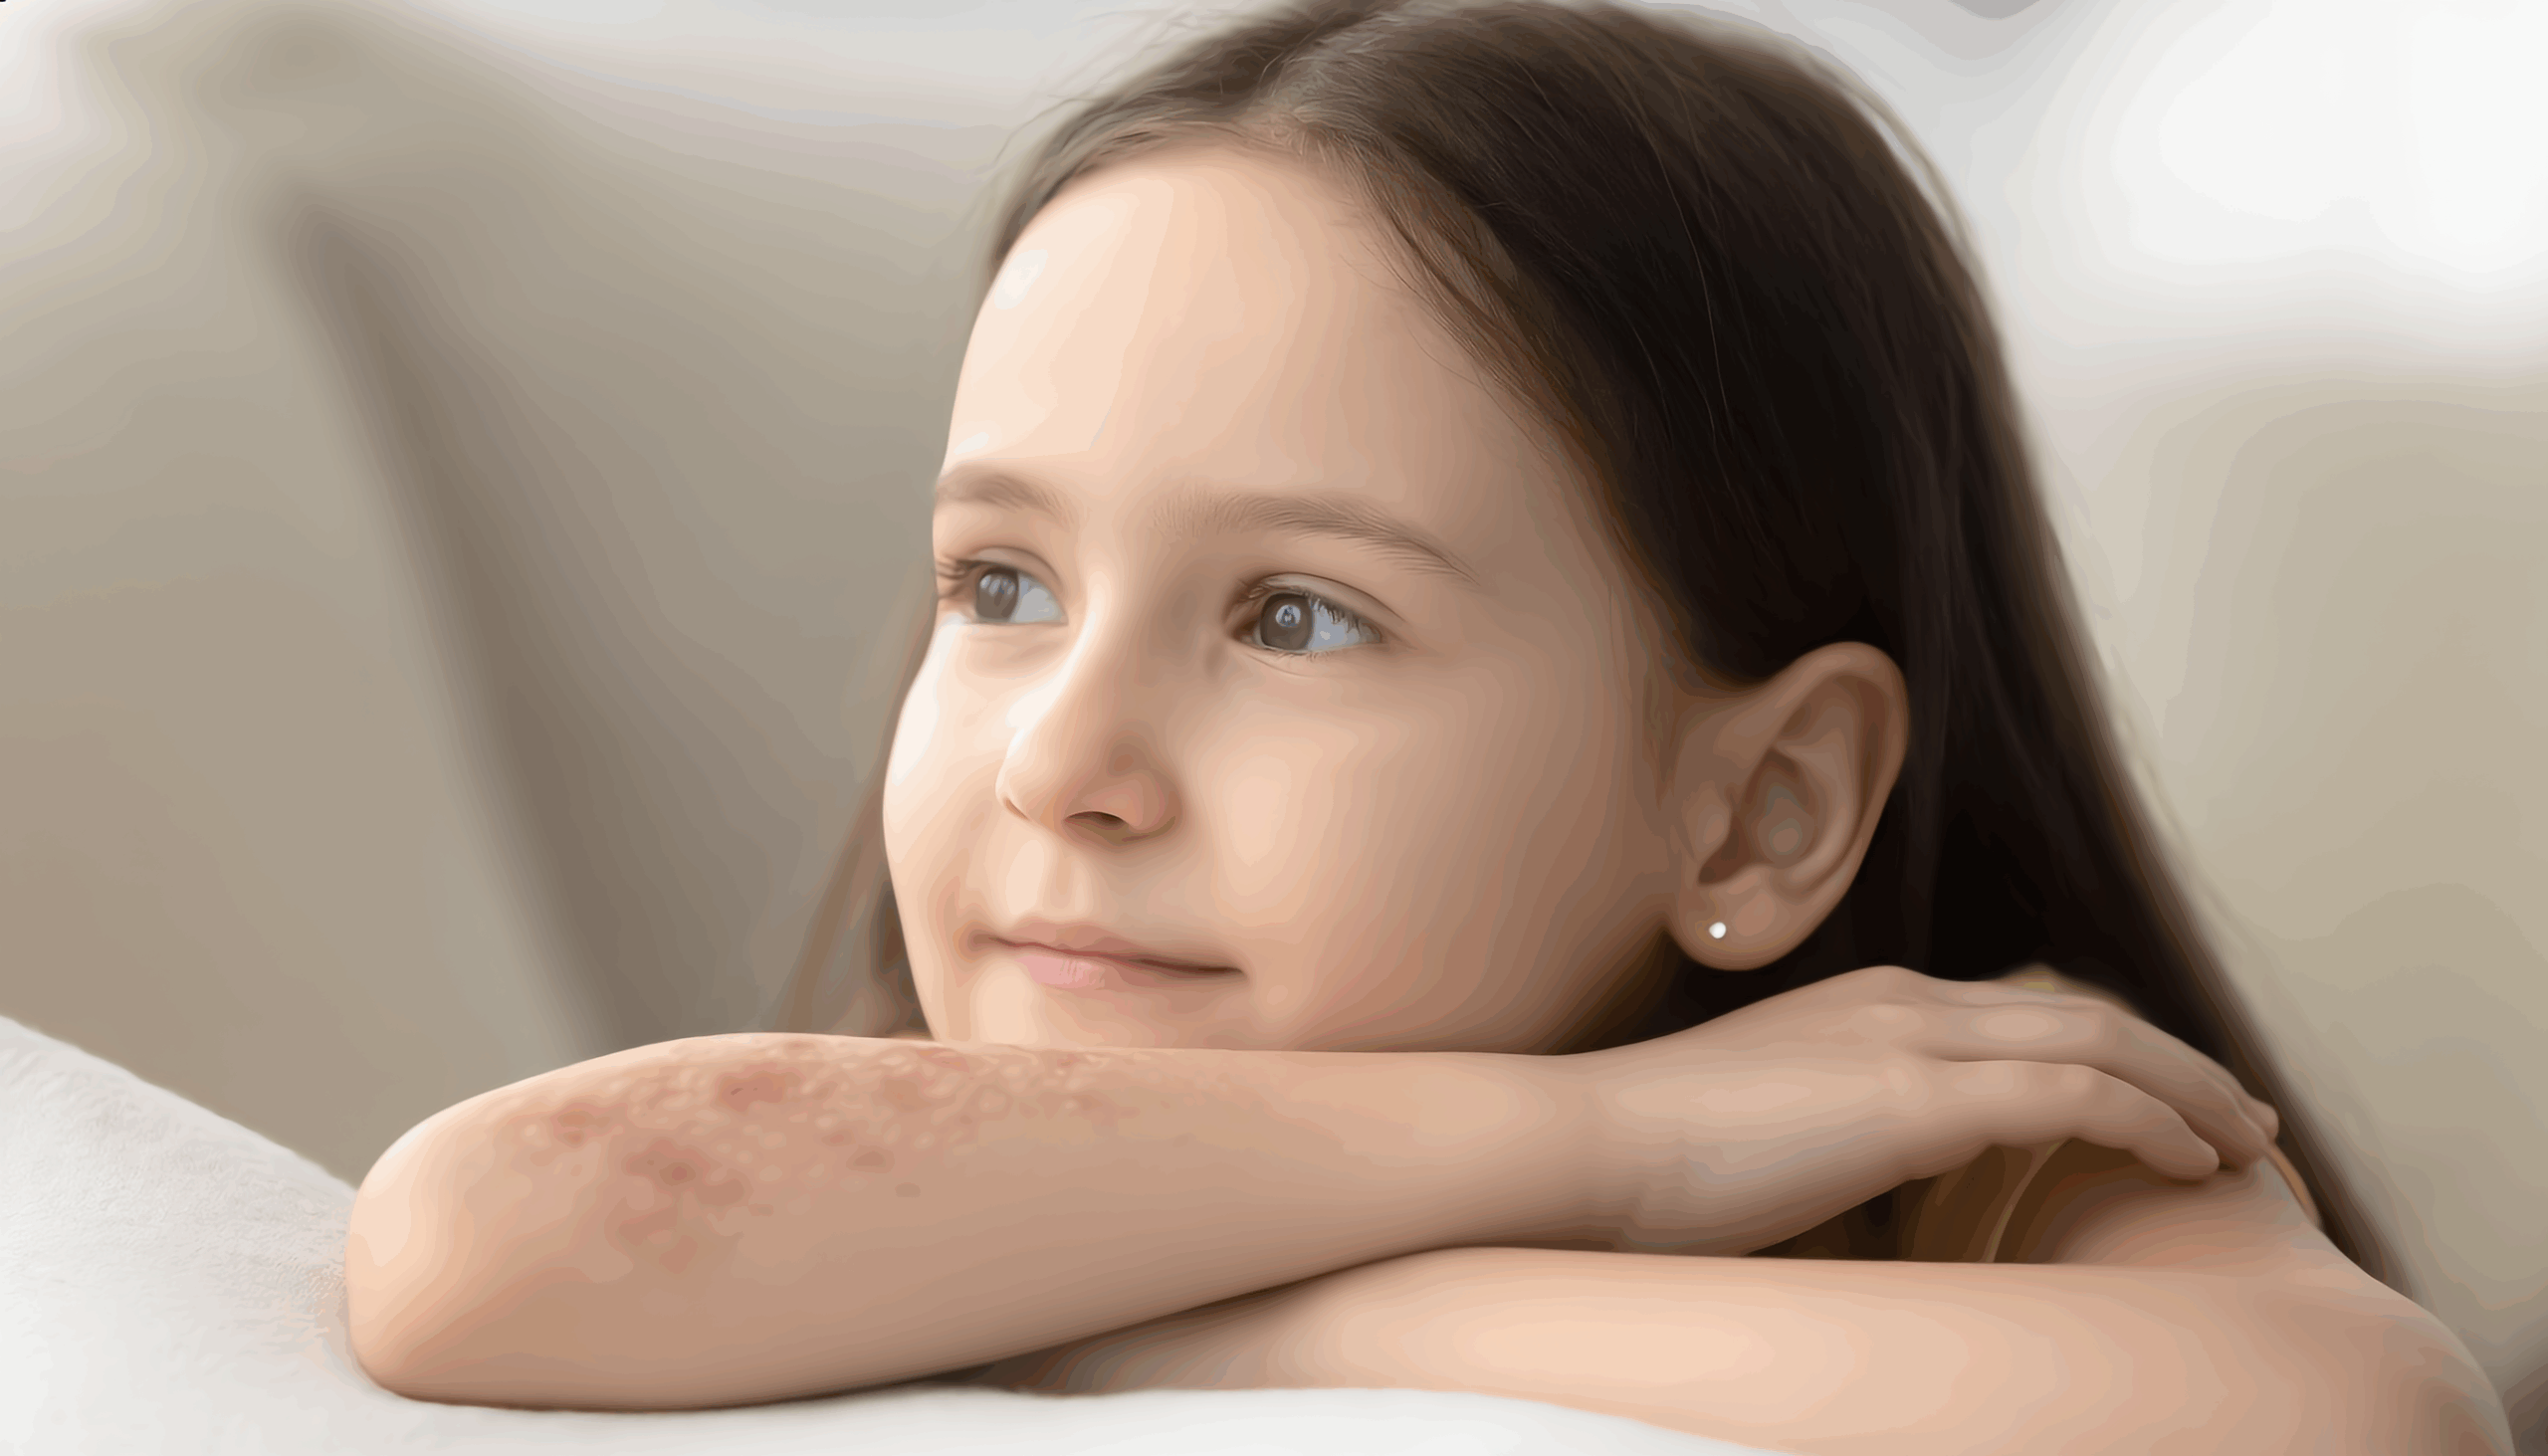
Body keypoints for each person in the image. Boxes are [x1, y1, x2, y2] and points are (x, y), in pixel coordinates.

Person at [342, 1, 2510, 1447]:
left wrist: (1194, 1320)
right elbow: (466, 1246)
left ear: (1757, 806)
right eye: (1000, 585)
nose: (1057, 758)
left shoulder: (1963, 1128)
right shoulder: (890, 1155)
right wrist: (1599, 1147)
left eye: (1295, 614)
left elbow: (2346, 1413)